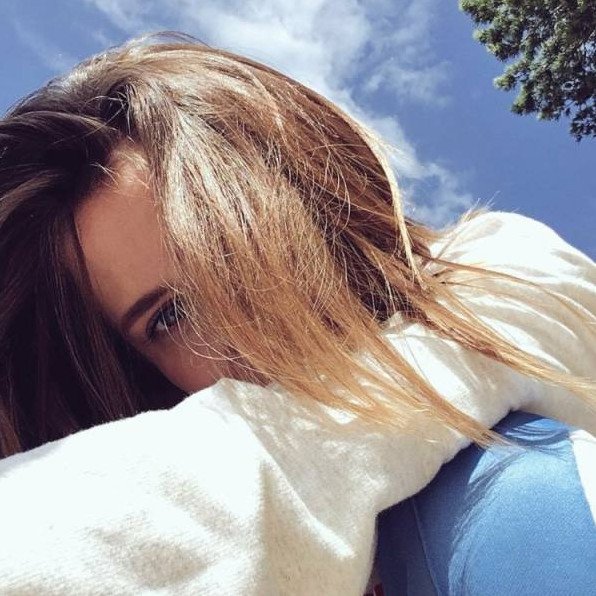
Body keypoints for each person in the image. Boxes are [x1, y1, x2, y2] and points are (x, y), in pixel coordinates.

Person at [0, 31, 594, 594]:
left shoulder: (493, 269)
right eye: (171, 316)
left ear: (325, 210)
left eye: (238, 251)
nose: (245, 327)